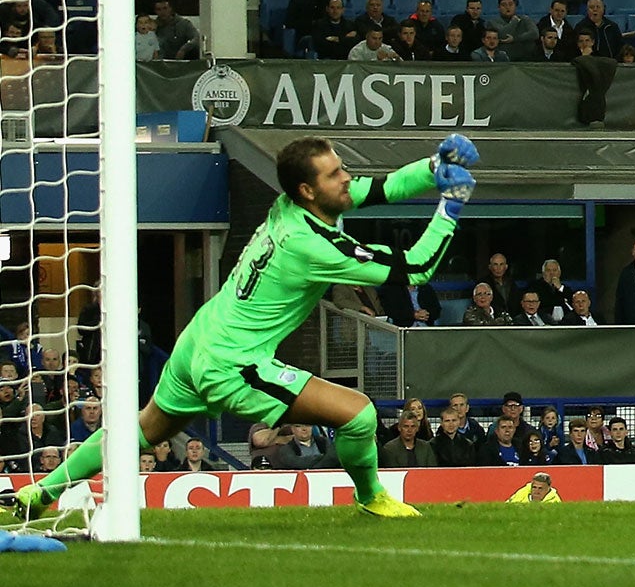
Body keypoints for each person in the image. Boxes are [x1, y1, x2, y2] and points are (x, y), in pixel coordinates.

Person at [2, 133, 479, 523]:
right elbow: (415, 269)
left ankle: (40, 493)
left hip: (200, 339)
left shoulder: (288, 207)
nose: (347, 178)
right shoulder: (307, 245)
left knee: (141, 430)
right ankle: (372, 497)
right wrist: (450, 205)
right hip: (233, 362)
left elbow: (381, 188)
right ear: (309, 191)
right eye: (336, 174)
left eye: (342, 167)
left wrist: (433, 167)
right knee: (359, 415)